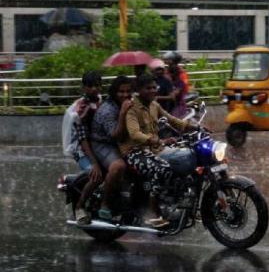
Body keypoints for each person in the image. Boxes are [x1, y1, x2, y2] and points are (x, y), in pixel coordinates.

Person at [120, 73, 200, 228]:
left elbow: (172, 120)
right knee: (162, 168)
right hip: (134, 152)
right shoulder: (132, 108)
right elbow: (134, 134)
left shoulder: (154, 105)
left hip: (154, 149)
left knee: (184, 162)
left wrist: (195, 127)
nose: (152, 91)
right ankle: (153, 213)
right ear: (139, 90)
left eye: (154, 87)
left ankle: (173, 201)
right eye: (148, 88)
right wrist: (153, 139)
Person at [61, 71, 103, 224]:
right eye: (91, 86)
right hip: (81, 150)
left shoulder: (100, 101)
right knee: (96, 175)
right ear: (84, 87)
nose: (95, 89)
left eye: (98, 85)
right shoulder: (81, 109)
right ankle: (80, 207)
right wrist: (95, 164)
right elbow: (82, 139)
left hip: (97, 146)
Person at [89, 76, 133, 221]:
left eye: (128, 91)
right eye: (121, 91)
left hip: (122, 141)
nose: (125, 94)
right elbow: (116, 135)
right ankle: (105, 204)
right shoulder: (108, 110)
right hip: (103, 143)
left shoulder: (129, 103)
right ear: (114, 92)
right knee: (118, 166)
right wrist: (122, 113)